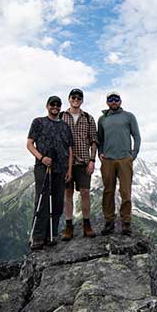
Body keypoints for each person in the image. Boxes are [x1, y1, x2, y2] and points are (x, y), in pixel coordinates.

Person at [26, 95, 73, 250]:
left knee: (58, 203)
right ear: (47, 106)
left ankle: (51, 235)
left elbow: (70, 150)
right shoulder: (38, 122)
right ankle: (38, 237)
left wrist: (69, 169)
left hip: (60, 168)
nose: (55, 107)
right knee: (43, 201)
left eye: (58, 105)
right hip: (43, 167)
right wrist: (41, 158)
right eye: (52, 104)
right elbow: (30, 144)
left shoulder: (65, 127)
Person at [97, 91, 141, 236]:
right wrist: (100, 152)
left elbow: (136, 136)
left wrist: (133, 155)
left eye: (116, 99)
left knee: (125, 192)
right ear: (107, 102)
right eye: (111, 99)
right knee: (108, 191)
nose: (114, 101)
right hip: (108, 160)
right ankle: (109, 222)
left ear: (120, 101)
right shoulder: (102, 119)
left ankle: (126, 223)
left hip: (124, 159)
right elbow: (100, 139)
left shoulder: (129, 116)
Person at [60, 88, 98, 240]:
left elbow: (94, 141)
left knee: (85, 193)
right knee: (67, 194)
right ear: (69, 99)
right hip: (65, 163)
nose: (76, 99)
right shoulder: (61, 116)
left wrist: (92, 160)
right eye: (73, 97)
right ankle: (68, 227)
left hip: (83, 162)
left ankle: (86, 225)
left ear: (82, 100)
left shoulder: (88, 118)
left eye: (79, 97)